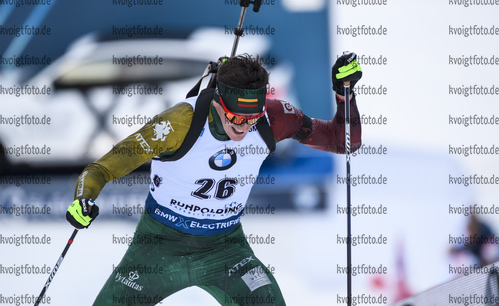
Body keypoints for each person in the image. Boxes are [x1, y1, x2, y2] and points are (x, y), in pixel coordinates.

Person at [66, 53, 363, 305]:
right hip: (158, 246)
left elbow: (343, 141)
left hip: (225, 249)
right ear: (219, 104)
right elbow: (101, 169)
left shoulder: (273, 117)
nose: (245, 127)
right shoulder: (178, 123)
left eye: (252, 118)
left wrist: (344, 95)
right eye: (237, 117)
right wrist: (83, 199)